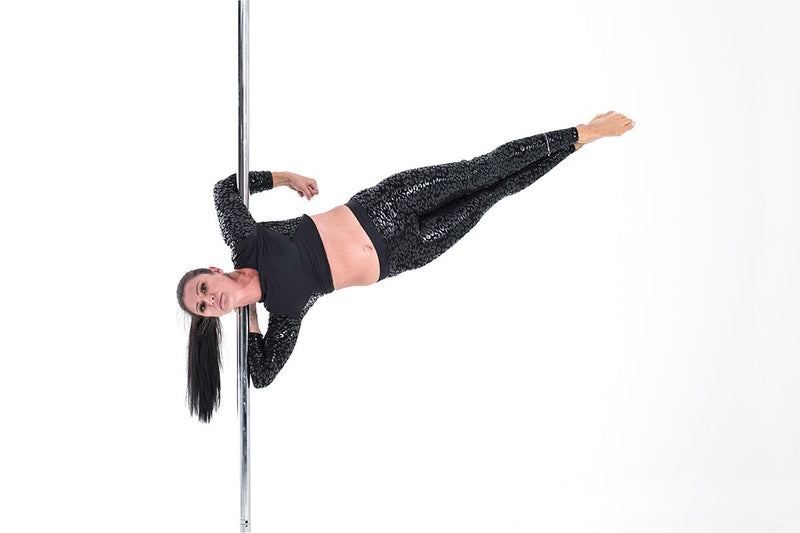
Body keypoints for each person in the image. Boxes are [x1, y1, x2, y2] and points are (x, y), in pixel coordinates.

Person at [177, 111, 635, 422]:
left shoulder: (246, 243)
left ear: (211, 272)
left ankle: (579, 132)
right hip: (406, 253)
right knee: (492, 195)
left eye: (202, 289)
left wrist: (284, 178)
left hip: (387, 203)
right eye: (204, 308)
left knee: (479, 172)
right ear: (211, 317)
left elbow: (223, 190)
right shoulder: (282, 314)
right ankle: (571, 149)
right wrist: (248, 313)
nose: (209, 299)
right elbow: (261, 375)